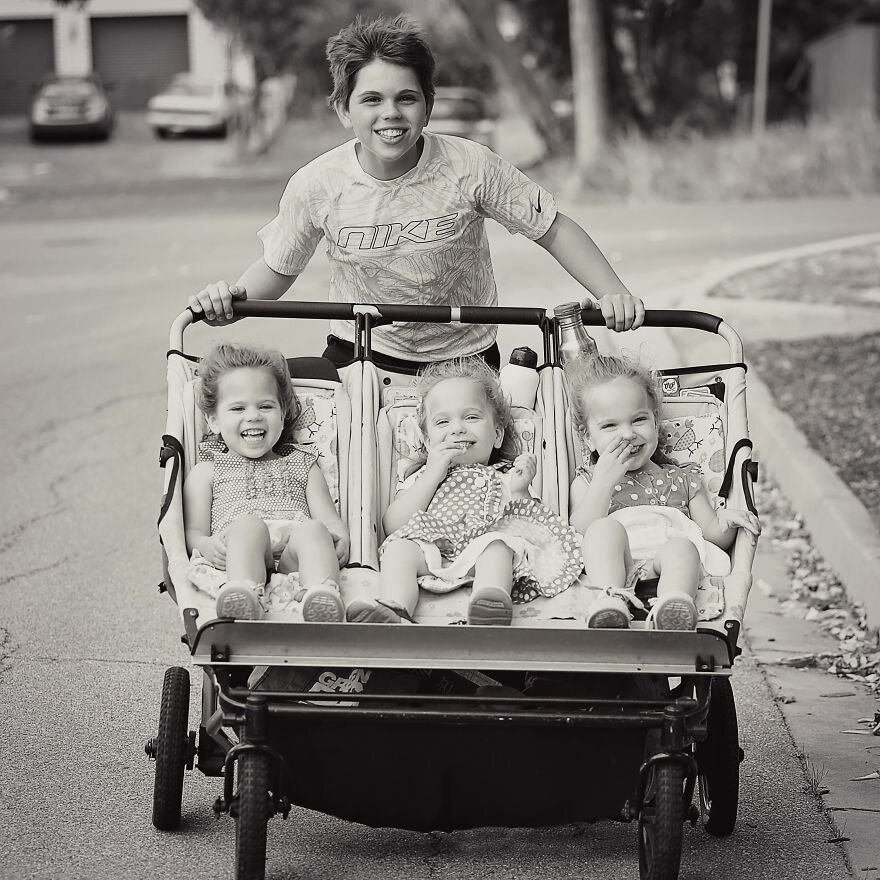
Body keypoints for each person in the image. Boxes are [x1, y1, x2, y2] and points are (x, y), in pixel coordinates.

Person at [187, 14, 645, 372]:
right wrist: (233, 302)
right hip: (362, 353)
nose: (391, 113)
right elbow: (278, 267)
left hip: (466, 359)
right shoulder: (317, 184)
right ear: (343, 110)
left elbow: (554, 228)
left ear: (428, 106)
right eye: (371, 100)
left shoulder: (470, 165)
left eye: (406, 98)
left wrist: (614, 294)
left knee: (470, 485)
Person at [345, 357, 583, 625]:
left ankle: (489, 601)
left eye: (471, 417)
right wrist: (433, 473)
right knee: (399, 549)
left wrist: (520, 490)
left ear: (497, 435)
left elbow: (534, 529)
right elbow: (394, 524)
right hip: (432, 548)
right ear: (427, 440)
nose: (458, 428)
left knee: (498, 546)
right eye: (442, 423)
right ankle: (394, 607)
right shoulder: (422, 476)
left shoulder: (505, 475)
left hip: (480, 552)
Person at [567, 354, 761, 630]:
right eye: (610, 425)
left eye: (638, 420)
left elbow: (711, 534)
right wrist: (603, 482)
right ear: (587, 436)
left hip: (668, 569)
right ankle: (612, 600)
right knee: (603, 531)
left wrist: (726, 520)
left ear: (656, 421)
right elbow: (581, 531)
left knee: (683, 548)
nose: (627, 434)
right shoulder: (588, 481)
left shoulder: (682, 478)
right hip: (614, 566)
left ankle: (673, 606)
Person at [183, 342, 350, 621]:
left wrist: (340, 538)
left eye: (265, 406)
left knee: (313, 529)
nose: (253, 416)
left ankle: (321, 594)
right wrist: (203, 543)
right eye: (237, 408)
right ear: (213, 420)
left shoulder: (304, 463)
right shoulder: (208, 471)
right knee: (249, 526)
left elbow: (329, 521)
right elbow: (191, 531)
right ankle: (245, 594)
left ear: (283, 413)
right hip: (239, 555)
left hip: (293, 558)